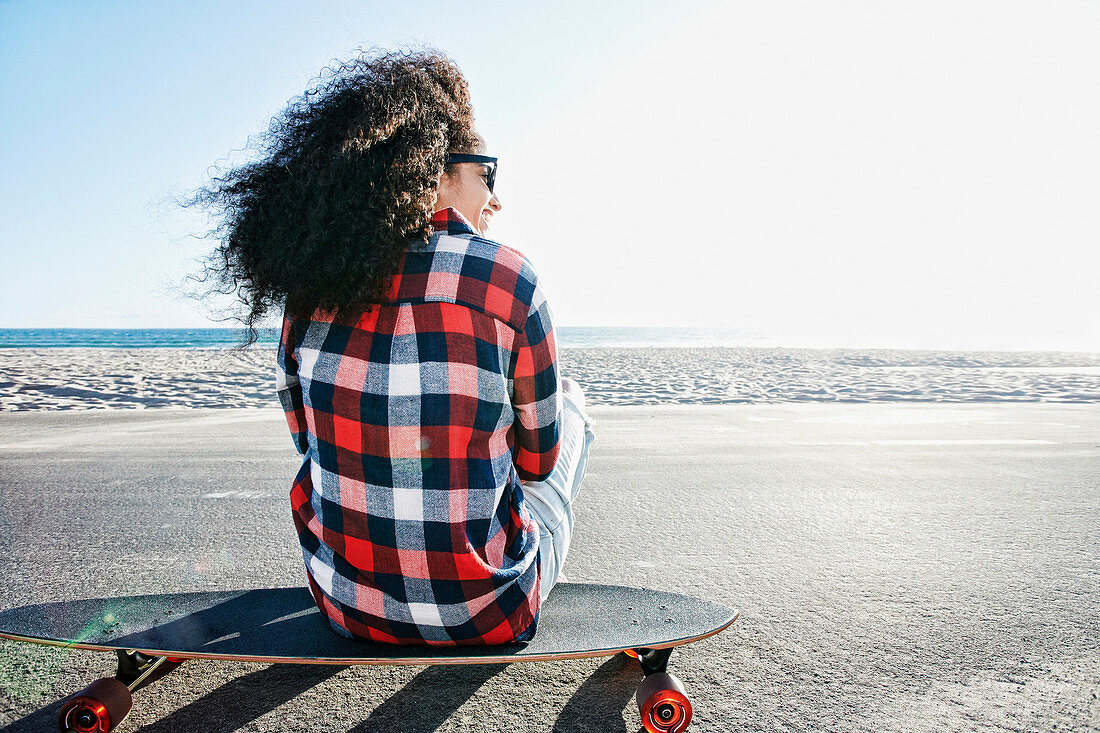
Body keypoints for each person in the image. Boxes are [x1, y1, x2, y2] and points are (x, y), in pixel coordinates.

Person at [194, 49, 594, 645]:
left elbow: (309, 441)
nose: (495, 198)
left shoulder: (310, 293)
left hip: (346, 609)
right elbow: (537, 465)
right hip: (488, 615)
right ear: (433, 169)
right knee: (572, 404)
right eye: (488, 172)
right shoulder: (507, 279)